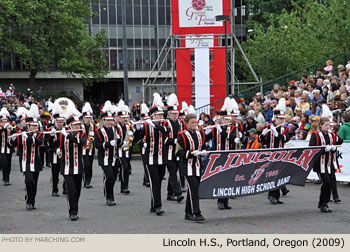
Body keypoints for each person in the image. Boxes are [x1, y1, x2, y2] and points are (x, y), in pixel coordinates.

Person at [134, 93, 168, 216]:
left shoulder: (164, 124)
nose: (160, 116)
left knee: (159, 180)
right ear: (153, 116)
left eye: (161, 114)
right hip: (150, 158)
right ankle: (158, 206)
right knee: (154, 182)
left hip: (162, 157)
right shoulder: (146, 127)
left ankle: (153, 204)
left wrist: (155, 126)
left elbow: (167, 132)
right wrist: (138, 131)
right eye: (158, 115)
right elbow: (137, 140)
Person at [52, 108, 87, 221]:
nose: (78, 126)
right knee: (71, 190)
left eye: (78, 124)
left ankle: (75, 207)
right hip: (66, 167)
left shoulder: (81, 135)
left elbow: (80, 143)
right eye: (75, 125)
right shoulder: (62, 134)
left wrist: (67, 136)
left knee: (77, 190)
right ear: (71, 126)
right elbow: (52, 145)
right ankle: (72, 211)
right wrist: (52, 137)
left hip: (78, 167)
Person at [9, 105, 43, 210]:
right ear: (28, 126)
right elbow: (11, 145)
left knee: (34, 183)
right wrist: (13, 137)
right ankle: (28, 200)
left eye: (35, 125)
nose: (34, 127)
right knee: (29, 181)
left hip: (36, 162)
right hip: (25, 162)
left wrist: (28, 136)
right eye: (32, 126)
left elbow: (38, 142)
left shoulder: (39, 134)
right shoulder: (21, 133)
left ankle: (32, 201)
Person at [175, 112, 206, 222]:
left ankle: (188, 212)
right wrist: (191, 153)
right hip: (187, 166)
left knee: (193, 189)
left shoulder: (200, 133)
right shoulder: (181, 135)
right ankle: (196, 212)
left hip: (197, 166)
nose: (194, 124)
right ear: (186, 123)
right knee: (194, 189)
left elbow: (203, 146)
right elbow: (178, 152)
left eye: (195, 122)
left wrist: (203, 152)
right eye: (192, 122)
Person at [309, 117, 342, 213]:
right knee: (326, 182)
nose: (328, 127)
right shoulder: (315, 135)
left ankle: (324, 203)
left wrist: (334, 146)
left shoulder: (331, 135)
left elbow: (340, 141)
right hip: (320, 163)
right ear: (321, 125)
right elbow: (312, 148)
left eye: (329, 125)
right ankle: (322, 203)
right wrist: (323, 150)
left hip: (330, 163)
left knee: (331, 183)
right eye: (326, 125)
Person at [260, 98, 290, 204]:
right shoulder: (269, 126)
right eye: (280, 119)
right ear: (275, 118)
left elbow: (286, 138)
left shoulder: (284, 129)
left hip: (280, 154)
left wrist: (278, 135)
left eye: (283, 119)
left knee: (279, 175)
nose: (281, 121)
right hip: (270, 154)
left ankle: (277, 196)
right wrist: (263, 135)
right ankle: (271, 195)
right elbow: (262, 141)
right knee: (272, 175)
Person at [94, 103, 121, 206]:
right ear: (103, 120)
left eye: (111, 120)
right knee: (109, 176)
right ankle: (108, 197)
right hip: (104, 158)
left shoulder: (115, 129)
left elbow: (119, 144)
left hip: (114, 157)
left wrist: (120, 140)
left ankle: (110, 194)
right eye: (107, 120)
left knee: (114, 177)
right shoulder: (99, 131)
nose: (110, 122)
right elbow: (97, 145)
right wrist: (108, 143)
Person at [163, 93, 184, 203]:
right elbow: (164, 140)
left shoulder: (180, 123)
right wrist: (174, 141)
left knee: (174, 172)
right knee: (172, 173)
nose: (176, 115)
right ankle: (178, 193)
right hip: (169, 152)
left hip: (177, 152)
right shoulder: (166, 123)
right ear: (169, 113)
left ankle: (169, 193)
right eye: (173, 113)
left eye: (177, 113)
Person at [81, 102, 96, 189]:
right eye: (87, 118)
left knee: (90, 165)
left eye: (89, 118)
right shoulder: (80, 126)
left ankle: (89, 180)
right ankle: (85, 181)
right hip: (83, 148)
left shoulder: (93, 126)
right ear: (83, 118)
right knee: (85, 164)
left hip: (91, 148)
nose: (88, 119)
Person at [0, 108, 13, 186]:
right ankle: (5, 179)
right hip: (1, 149)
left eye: (6, 121)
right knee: (4, 164)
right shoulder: (1, 128)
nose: (5, 122)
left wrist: (12, 130)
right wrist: (4, 128)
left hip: (9, 148)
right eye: (3, 121)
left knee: (9, 164)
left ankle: (7, 177)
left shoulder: (10, 127)